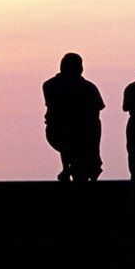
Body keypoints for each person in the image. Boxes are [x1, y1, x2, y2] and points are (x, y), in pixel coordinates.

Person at [43, 52, 104, 182]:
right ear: (80, 68)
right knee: (79, 136)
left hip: (57, 131)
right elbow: (96, 112)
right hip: (81, 132)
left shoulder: (49, 85)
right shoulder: (88, 87)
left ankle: (68, 168)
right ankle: (80, 167)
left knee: (68, 142)